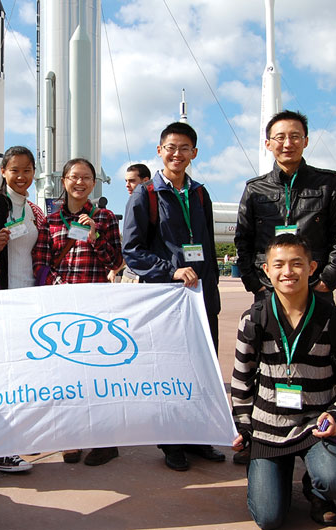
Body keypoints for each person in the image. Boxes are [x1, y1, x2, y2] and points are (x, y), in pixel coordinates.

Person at [231, 234, 336, 529]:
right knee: (268, 518)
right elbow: (241, 381)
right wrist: (243, 426)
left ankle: (318, 491)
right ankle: (270, 471)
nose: (288, 272)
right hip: (268, 431)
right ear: (266, 270)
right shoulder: (253, 320)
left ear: (312, 267)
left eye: (297, 264)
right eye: (279, 264)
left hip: (315, 427)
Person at [122, 121, 224, 471]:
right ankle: (172, 443)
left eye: (184, 148)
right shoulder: (146, 194)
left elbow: (207, 244)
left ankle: (197, 437)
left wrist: (210, 287)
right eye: (170, 147)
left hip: (201, 297)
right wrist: (170, 269)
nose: (177, 154)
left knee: (202, 367)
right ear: (159, 151)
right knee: (171, 370)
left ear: (194, 153)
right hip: (167, 298)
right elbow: (132, 251)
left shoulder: (199, 193)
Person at [32, 157, 122, 466]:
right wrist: (56, 283)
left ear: (94, 183)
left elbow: (115, 262)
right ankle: (70, 437)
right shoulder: (51, 220)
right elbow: (41, 262)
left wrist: (95, 235)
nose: (79, 182)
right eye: (73, 177)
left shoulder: (106, 217)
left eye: (86, 177)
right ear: (64, 181)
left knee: (98, 373)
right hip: (62, 306)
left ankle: (104, 440)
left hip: (96, 307)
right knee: (65, 373)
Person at [0, 145, 46, 473]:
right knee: (0, 376)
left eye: (27, 170)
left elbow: (46, 247)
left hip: (27, 301)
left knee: (21, 374)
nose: (21, 176)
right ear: (3, 172)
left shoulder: (34, 210)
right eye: (14, 170)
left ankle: (9, 445)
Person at [234, 110, 336, 304]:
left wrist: (328, 281)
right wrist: (255, 283)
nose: (288, 144)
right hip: (268, 288)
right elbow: (243, 239)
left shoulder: (328, 183)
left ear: (305, 141)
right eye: (280, 137)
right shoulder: (255, 189)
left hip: (315, 285)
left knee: (320, 334)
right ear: (268, 144)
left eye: (295, 137)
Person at [108, 163, 152, 282]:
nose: (127, 185)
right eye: (126, 181)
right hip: (129, 276)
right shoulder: (132, 203)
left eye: (132, 181)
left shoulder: (156, 207)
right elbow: (130, 245)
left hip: (147, 277)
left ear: (146, 181)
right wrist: (114, 271)